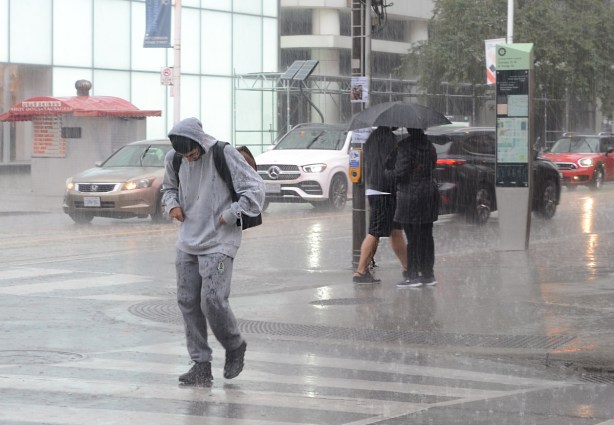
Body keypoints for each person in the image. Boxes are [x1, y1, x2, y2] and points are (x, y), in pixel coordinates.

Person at [161, 117, 265, 386]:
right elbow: (168, 188)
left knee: (212, 299)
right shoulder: (174, 158)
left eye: (192, 152)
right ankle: (200, 364)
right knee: (187, 301)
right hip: (187, 244)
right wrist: (172, 204)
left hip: (220, 246)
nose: (189, 158)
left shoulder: (224, 153)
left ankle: (234, 346)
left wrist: (232, 214)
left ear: (199, 141)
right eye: (184, 155)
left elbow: (255, 188)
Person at [353, 126, 408, 284]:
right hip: (385, 190)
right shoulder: (389, 139)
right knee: (375, 231)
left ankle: (407, 267)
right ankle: (361, 271)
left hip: (375, 188)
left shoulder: (372, 138)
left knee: (395, 230)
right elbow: (391, 166)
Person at [391, 128, 439, 288]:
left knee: (412, 238)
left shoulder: (405, 146)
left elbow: (400, 173)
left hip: (410, 196)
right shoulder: (430, 146)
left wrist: (390, 173)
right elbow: (432, 166)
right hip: (429, 195)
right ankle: (428, 274)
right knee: (426, 236)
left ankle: (413, 275)